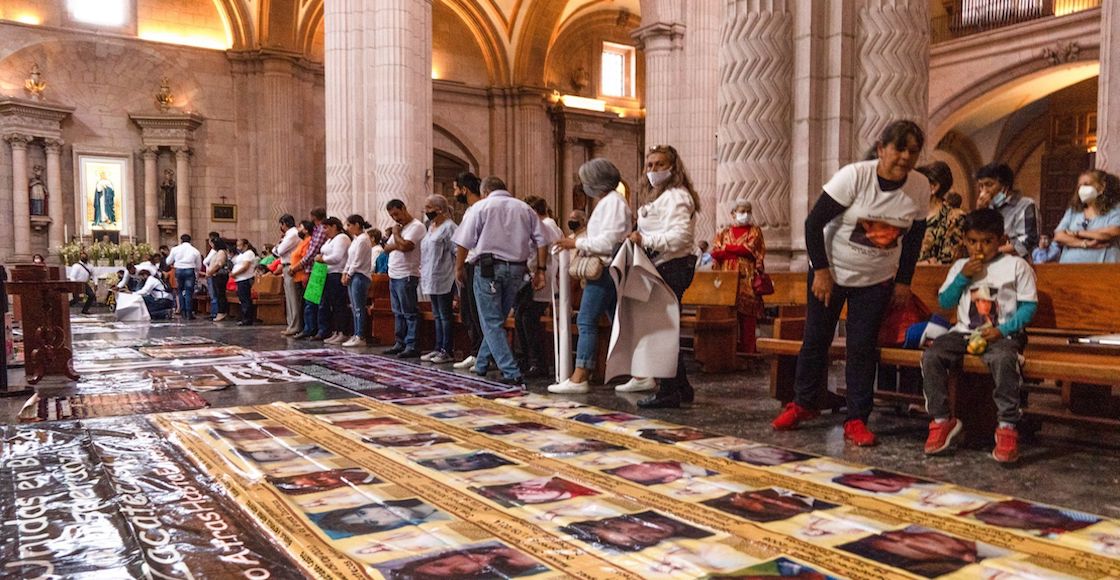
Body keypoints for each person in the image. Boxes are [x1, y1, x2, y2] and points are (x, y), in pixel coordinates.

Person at [771, 121, 929, 445]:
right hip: (833, 272)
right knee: (816, 339)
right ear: (882, 147)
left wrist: (904, 281)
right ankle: (802, 403)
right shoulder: (855, 176)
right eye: (899, 149)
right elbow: (813, 224)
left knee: (861, 347)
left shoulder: (919, 186)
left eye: (913, 151)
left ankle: (856, 418)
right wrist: (822, 271)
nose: (905, 157)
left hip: (876, 279)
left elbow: (913, 239)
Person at [921, 208, 1037, 464]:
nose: (979, 248)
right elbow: (945, 301)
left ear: (1001, 239)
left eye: (987, 241)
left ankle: (1007, 425)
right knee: (932, 355)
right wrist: (963, 278)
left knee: (1004, 361)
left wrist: (1003, 330)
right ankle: (941, 419)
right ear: (964, 240)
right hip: (964, 333)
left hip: (1002, 334)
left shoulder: (1016, 266)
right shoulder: (961, 266)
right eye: (972, 241)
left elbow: (1029, 307)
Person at [453, 176, 548, 385]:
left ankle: (511, 371)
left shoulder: (481, 207)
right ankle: (481, 363)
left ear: (485, 191)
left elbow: (463, 241)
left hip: (488, 269)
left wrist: (459, 267)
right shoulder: (524, 208)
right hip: (517, 269)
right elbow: (542, 240)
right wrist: (541, 270)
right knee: (497, 319)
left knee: (491, 321)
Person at [628, 145, 703, 409]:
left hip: (673, 266)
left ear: (673, 168)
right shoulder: (660, 196)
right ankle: (681, 387)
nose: (653, 170)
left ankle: (668, 391)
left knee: (662, 330)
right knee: (663, 327)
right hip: (661, 265)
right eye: (649, 165)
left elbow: (681, 237)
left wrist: (644, 238)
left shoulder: (677, 197)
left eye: (659, 164)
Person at [548, 159, 632, 394]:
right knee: (620, 321)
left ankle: (580, 376)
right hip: (607, 269)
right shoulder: (609, 202)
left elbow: (609, 242)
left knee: (586, 321)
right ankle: (642, 373)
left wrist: (575, 242)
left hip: (604, 270)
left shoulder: (613, 203)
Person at [710, 199, 767, 353]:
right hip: (726, 279)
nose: (746, 215)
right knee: (727, 314)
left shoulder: (754, 231)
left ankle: (748, 351)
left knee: (747, 316)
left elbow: (749, 249)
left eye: (748, 211)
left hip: (746, 280)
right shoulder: (724, 232)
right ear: (733, 214)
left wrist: (727, 249)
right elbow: (715, 251)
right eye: (742, 211)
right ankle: (727, 352)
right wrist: (734, 249)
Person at [515, 195, 563, 377]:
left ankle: (538, 362)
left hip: (542, 277)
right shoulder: (540, 224)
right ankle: (526, 360)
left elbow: (542, 249)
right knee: (522, 317)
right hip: (531, 277)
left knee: (529, 319)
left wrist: (537, 270)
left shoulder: (548, 225)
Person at [383, 199, 426, 358]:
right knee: (398, 312)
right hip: (394, 274)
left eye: (396, 213)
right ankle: (399, 342)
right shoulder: (401, 229)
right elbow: (386, 248)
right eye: (392, 215)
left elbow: (407, 246)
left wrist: (395, 234)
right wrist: (398, 243)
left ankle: (412, 344)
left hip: (407, 274)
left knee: (409, 312)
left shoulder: (416, 226)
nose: (395, 218)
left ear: (404, 208)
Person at [452, 172, 486, 370]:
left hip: (474, 263)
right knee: (469, 312)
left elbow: (463, 242)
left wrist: (459, 266)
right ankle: (477, 351)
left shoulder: (475, 210)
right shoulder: (477, 209)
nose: (455, 193)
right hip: (477, 263)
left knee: (475, 311)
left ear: (464, 189)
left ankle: (480, 353)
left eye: (456, 189)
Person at [419, 195, 458, 363]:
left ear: (439, 209)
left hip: (444, 275)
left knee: (444, 315)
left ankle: (446, 349)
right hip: (430, 275)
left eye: (429, 208)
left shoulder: (449, 227)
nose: (426, 211)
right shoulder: (431, 227)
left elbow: (456, 251)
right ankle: (437, 347)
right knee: (436, 314)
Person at [1054, 169, 1120, 263]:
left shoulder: (1115, 209)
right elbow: (1059, 236)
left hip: (1104, 269)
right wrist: (1085, 243)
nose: (1082, 189)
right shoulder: (1073, 211)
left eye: (1086, 184)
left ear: (1102, 187)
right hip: (1069, 268)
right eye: (1079, 186)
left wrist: (1076, 233)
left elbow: (1110, 233)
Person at [975, 162, 1038, 258]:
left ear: (1005, 186)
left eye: (989, 184)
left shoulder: (1025, 205)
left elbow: (1028, 241)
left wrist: (994, 251)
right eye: (981, 186)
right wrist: (979, 212)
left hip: (1016, 263)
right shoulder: (988, 207)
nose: (984, 191)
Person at [917, 161, 965, 264]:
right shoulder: (910, 214)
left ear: (933, 187)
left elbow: (948, 260)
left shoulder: (954, 217)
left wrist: (925, 264)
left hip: (932, 277)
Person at [315, 217, 352, 342]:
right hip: (328, 273)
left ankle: (343, 331)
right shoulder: (330, 240)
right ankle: (335, 331)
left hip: (338, 273)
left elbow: (337, 257)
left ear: (334, 227)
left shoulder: (341, 238)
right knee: (332, 305)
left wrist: (323, 259)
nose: (324, 231)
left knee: (339, 304)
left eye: (326, 228)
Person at [293, 208, 329, 338]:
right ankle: (310, 328)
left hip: (318, 269)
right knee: (310, 301)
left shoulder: (321, 230)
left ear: (314, 217)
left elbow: (312, 252)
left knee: (314, 302)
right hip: (313, 268)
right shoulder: (318, 230)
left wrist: (298, 267)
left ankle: (315, 329)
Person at [342, 214, 373, 347]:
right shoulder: (356, 239)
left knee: (359, 307)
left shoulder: (363, 239)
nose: (347, 228)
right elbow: (350, 259)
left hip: (360, 275)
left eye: (349, 225)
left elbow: (358, 260)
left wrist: (349, 273)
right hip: (353, 274)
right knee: (354, 307)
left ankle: (361, 335)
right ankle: (355, 334)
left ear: (357, 225)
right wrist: (345, 272)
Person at [273, 214, 302, 336]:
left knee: (293, 298)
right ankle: (291, 325)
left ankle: (295, 325)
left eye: (281, 224)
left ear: (284, 224)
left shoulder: (292, 234)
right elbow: (275, 251)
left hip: (291, 266)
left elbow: (279, 250)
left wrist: (278, 246)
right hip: (286, 266)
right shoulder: (288, 235)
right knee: (289, 298)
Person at [166, 234, 203, 320]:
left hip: (178, 270)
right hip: (190, 270)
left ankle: (183, 312)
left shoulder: (175, 249)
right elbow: (198, 266)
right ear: (190, 241)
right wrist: (196, 272)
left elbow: (168, 261)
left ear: (181, 240)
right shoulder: (195, 251)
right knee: (189, 292)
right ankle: (189, 313)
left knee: (180, 291)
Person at [289, 220, 314, 339]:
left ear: (307, 230)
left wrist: (294, 268)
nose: (299, 229)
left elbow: (305, 258)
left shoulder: (309, 241)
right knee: (301, 304)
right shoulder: (302, 241)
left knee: (304, 304)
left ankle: (306, 328)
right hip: (297, 275)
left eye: (301, 227)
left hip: (302, 275)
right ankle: (302, 327)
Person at [230, 239, 259, 326]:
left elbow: (245, 266)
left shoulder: (249, 253)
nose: (238, 247)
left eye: (240, 245)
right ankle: (243, 316)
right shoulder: (241, 255)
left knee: (245, 299)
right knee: (242, 299)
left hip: (245, 278)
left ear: (246, 245)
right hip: (239, 279)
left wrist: (235, 273)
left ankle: (247, 318)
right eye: (237, 245)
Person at [202, 237, 231, 322]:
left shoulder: (221, 252)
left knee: (220, 294)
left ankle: (221, 312)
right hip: (215, 275)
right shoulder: (217, 252)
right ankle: (219, 311)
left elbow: (219, 263)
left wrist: (210, 271)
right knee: (218, 294)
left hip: (219, 276)